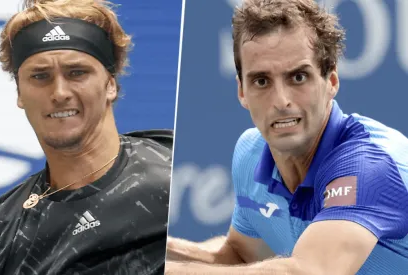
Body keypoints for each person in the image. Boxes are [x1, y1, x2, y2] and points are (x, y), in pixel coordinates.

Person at [165, 0, 408, 274]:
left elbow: (308, 272)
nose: (281, 101)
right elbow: (239, 255)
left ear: (331, 82)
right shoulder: (250, 152)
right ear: (242, 91)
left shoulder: (369, 165)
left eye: (298, 77)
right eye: (261, 81)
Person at [0, 0, 173, 274]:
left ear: (110, 84)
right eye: (40, 76)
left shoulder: (179, 163)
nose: (59, 93)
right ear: (20, 94)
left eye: (77, 72)